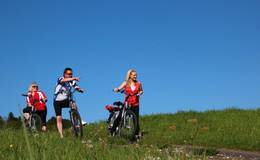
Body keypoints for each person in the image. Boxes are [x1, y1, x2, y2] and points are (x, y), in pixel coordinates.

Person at [113, 69, 144, 139]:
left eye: (136, 75)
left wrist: (139, 93)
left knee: (136, 119)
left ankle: (136, 135)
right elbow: (119, 88)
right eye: (134, 75)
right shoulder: (126, 83)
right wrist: (117, 89)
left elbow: (141, 90)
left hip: (136, 103)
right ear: (130, 75)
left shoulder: (139, 83)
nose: (135, 76)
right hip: (127, 103)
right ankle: (113, 130)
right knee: (120, 116)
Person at [53, 68, 83, 138]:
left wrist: (79, 89)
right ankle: (61, 135)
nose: (70, 75)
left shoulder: (71, 81)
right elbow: (63, 80)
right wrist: (74, 78)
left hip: (65, 100)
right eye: (69, 74)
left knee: (73, 103)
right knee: (59, 118)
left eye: (71, 74)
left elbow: (76, 86)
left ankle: (77, 122)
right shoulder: (61, 78)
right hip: (57, 101)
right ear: (65, 74)